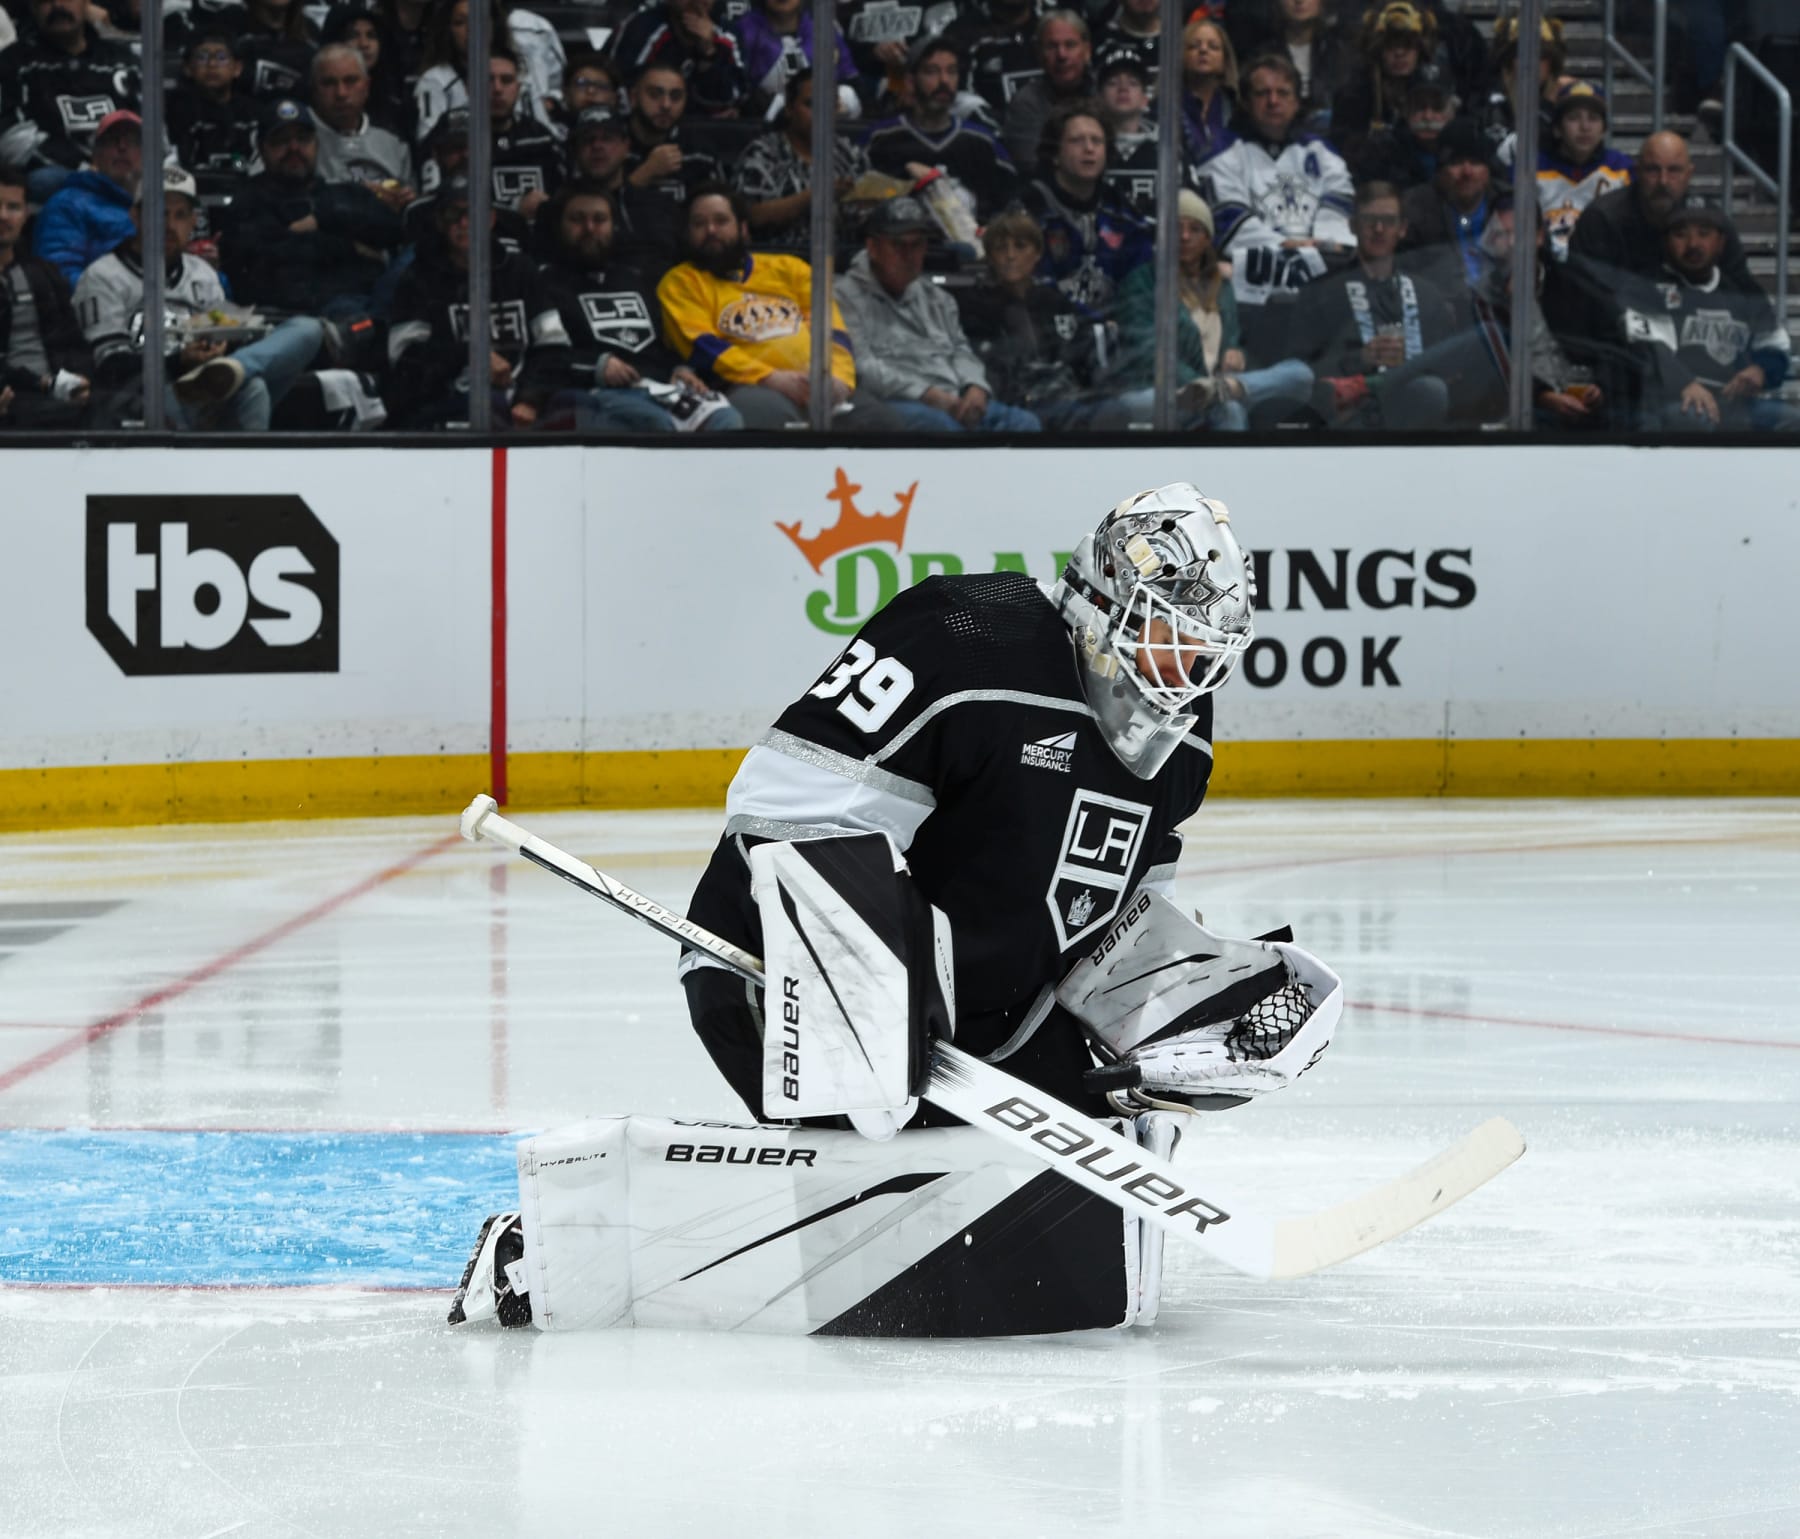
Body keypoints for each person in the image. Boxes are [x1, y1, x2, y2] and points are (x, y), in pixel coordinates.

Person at [75, 165, 327, 430]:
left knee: (307, 330)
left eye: (180, 215)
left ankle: (233, 370)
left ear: (194, 222)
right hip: (145, 396)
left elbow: (224, 331)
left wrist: (223, 350)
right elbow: (109, 369)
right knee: (247, 387)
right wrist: (179, 361)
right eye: (160, 213)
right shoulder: (102, 276)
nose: (170, 225)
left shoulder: (202, 273)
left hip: (209, 391)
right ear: (135, 216)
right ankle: (223, 378)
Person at [656, 181, 889, 429]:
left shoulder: (790, 268)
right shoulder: (681, 282)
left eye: (721, 221)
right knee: (770, 422)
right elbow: (705, 347)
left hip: (819, 384)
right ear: (688, 234)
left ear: (743, 229)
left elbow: (832, 330)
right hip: (745, 386)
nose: (711, 230)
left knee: (881, 423)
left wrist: (839, 378)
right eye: (699, 224)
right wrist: (769, 377)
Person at [536, 179, 743, 433]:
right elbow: (545, 358)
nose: (589, 228)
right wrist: (597, 366)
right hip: (596, 392)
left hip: (660, 388)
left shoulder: (640, 278)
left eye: (599, 219)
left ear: (614, 226)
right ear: (560, 227)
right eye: (577, 219)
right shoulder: (545, 283)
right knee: (654, 426)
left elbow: (668, 342)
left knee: (725, 419)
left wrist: (681, 369)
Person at [834, 193, 1041, 433]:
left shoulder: (937, 298)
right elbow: (861, 367)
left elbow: (961, 350)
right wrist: (928, 395)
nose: (909, 255)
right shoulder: (842, 296)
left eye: (918, 244)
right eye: (899, 245)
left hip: (953, 399)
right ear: (873, 248)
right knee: (941, 429)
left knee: (1024, 424)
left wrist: (976, 387)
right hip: (896, 402)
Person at [1114, 187, 1315, 430]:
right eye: (1177, 228)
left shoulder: (1222, 286)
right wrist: (1199, 386)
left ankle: (1222, 391)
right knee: (1228, 410)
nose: (1185, 236)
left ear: (1208, 238)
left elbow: (1230, 343)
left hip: (1220, 388)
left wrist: (1235, 353)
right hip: (1161, 392)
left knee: (1300, 373)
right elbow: (1147, 355)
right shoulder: (1142, 282)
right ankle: (1218, 396)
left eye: (1195, 229)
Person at [385, 172, 571, 428]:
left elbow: (554, 347)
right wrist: (471, 355)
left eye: (473, 214)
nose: (464, 223)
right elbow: (405, 362)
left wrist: (530, 399)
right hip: (450, 401)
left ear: (491, 219)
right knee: (488, 411)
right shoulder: (418, 277)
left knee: (586, 408)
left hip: (525, 398)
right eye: (453, 215)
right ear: (440, 222)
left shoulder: (521, 270)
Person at [1205, 52, 1353, 354]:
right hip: (1252, 293)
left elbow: (1339, 213)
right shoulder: (1222, 151)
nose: (1273, 101)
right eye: (1262, 93)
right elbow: (1232, 226)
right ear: (1246, 102)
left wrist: (1319, 246)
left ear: (1297, 101)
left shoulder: (1321, 152)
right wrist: (1298, 248)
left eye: (1283, 93)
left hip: (1318, 282)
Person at [953, 205, 1139, 431]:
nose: (1010, 256)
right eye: (1001, 248)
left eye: (1020, 246)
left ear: (1037, 253)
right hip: (1020, 403)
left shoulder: (1055, 301)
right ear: (990, 256)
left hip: (1067, 396)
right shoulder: (974, 306)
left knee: (1119, 408)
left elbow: (1084, 347)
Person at [1289, 179, 1457, 428]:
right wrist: (1359, 359)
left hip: (1414, 423)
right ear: (1352, 226)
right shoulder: (1321, 293)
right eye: (1369, 220)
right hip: (1347, 419)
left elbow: (1449, 372)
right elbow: (1299, 373)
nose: (1379, 229)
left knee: (1431, 390)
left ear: (1402, 228)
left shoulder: (1427, 295)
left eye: (1388, 221)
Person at [220, 98, 407, 320]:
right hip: (294, 318)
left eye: (303, 139)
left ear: (317, 144)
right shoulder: (247, 202)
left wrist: (324, 217)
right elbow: (266, 262)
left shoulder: (343, 193)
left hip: (369, 303)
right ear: (262, 149)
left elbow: (394, 229)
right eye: (281, 141)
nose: (294, 149)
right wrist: (349, 246)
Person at [1621, 202, 1798, 434]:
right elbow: (1651, 348)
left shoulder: (1742, 289)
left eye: (1704, 234)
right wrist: (1684, 383)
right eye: (1680, 235)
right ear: (1666, 242)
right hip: (1672, 402)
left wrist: (1761, 370)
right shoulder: (1648, 287)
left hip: (1734, 404)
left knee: (1793, 421)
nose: (1693, 244)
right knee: (1697, 421)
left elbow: (1775, 343)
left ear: (1721, 242)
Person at [1567, 132, 1756, 290]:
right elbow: (1581, 294)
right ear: (1637, 171)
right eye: (1652, 170)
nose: (1663, 181)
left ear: (1689, 174)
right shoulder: (1602, 219)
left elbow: (1744, 294)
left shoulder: (1712, 223)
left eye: (1674, 170)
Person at [861, 38, 1018, 224]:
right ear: (910, 81)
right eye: (932, 71)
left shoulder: (982, 142)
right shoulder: (879, 139)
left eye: (951, 71)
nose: (944, 80)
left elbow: (1010, 207)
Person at [1021, 101, 1153, 315]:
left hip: (1115, 335)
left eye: (1097, 141)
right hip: (1048, 333)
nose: (1089, 149)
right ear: (1055, 153)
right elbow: (1028, 287)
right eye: (1076, 141)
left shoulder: (1122, 213)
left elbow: (1142, 284)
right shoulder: (1031, 209)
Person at [0, 0, 140, 201]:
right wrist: (83, 167)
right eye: (45, 1)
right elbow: (10, 138)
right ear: (32, 8)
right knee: (43, 180)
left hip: (126, 172)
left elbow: (154, 130)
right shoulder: (11, 63)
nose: (57, 5)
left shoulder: (125, 61)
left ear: (86, 3)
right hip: (62, 178)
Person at [735, 69, 870, 258]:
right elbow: (752, 215)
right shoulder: (763, 153)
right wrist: (816, 196)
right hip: (778, 264)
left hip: (842, 263)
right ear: (790, 108)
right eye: (811, 104)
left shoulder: (850, 153)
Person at [0, 163, 92, 428]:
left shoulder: (45, 275)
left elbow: (73, 342)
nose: (3, 216)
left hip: (56, 401)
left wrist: (82, 380)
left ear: (26, 214)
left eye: (13, 207)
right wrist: (43, 384)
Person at [31, 107, 140, 286]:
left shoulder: (161, 206)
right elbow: (58, 277)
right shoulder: (67, 205)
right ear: (95, 155)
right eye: (112, 141)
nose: (122, 146)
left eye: (133, 141)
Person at [1534, 81, 1631, 262]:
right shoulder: (1533, 168)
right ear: (1557, 129)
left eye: (1593, 118)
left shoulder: (1621, 169)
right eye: (1573, 118)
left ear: (1604, 130)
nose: (1585, 127)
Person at [1399, 114, 1496, 293]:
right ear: (1440, 171)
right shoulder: (1413, 209)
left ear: (1488, 170)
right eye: (1456, 163)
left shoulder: (1509, 204)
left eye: (1475, 163)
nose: (1467, 172)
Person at [310, 42, 416, 200]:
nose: (341, 93)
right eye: (329, 83)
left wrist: (406, 200)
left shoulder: (394, 143)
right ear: (314, 89)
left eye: (350, 81)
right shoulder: (298, 138)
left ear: (367, 86)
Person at [609, 0, 749, 119]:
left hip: (706, 134)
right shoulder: (642, 28)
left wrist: (708, 52)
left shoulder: (729, 35)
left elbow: (728, 105)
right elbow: (623, 95)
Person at [730, 0, 857, 118]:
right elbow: (736, 95)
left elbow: (851, 81)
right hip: (761, 128)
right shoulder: (742, 32)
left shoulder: (825, 31)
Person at [1001, 10, 1095, 169]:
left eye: (1070, 45)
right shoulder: (1026, 103)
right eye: (1052, 46)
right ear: (1039, 54)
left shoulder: (1105, 95)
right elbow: (1031, 166)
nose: (1061, 55)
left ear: (1087, 51)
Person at [166, 30, 265, 181]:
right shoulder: (176, 111)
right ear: (187, 68)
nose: (212, 64)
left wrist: (238, 163)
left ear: (237, 68)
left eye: (221, 57)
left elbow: (251, 160)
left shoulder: (252, 112)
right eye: (202, 57)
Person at [485, 45, 561, 219]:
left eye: (506, 80)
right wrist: (512, 207)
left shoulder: (541, 137)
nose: (497, 89)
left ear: (518, 89)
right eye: (488, 80)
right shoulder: (454, 136)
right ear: (469, 88)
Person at [1177, 16, 1239, 167]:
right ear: (1180, 56)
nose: (1203, 50)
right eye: (1194, 46)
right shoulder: (1164, 107)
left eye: (1213, 47)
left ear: (1225, 60)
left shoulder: (1237, 110)